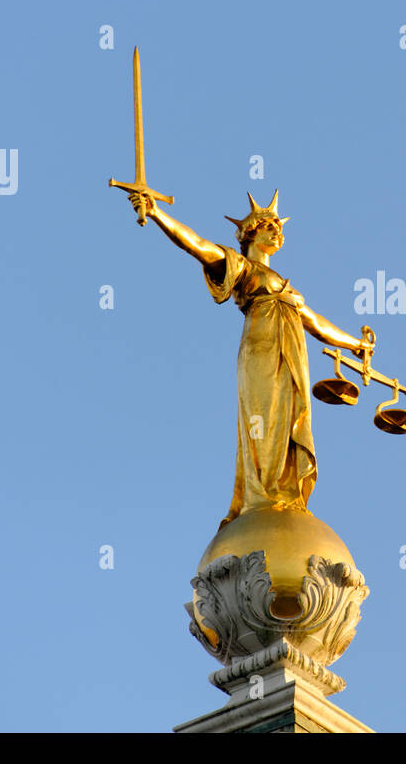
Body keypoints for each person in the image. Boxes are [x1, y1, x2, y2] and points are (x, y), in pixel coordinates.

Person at [128, 188, 373, 528]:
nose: (277, 231)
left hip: (292, 356)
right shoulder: (243, 268)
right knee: (264, 414)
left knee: (289, 419)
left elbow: (316, 323)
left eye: (279, 227)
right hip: (261, 349)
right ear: (250, 233)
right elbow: (197, 245)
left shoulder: (287, 288)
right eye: (269, 225)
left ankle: (285, 490)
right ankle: (262, 493)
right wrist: (156, 214)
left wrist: (355, 346)